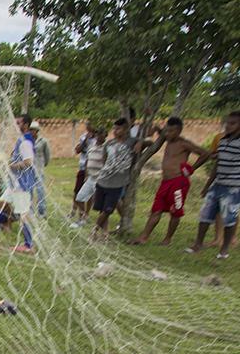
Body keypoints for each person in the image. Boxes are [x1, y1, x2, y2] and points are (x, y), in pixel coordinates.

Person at [132, 117, 211, 245]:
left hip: (179, 182)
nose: (168, 134)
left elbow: (205, 154)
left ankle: (168, 239)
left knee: (175, 212)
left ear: (179, 131)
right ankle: (143, 237)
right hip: (165, 182)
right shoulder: (167, 139)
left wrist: (192, 168)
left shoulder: (183, 143)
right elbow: (160, 131)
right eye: (167, 131)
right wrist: (154, 123)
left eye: (172, 131)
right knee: (156, 210)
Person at [186, 110, 240, 259]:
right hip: (217, 184)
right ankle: (198, 244)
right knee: (205, 215)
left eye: (232, 123)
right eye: (227, 123)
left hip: (233, 187)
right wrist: (207, 186)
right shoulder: (222, 141)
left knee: (229, 218)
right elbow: (217, 165)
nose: (228, 126)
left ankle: (224, 249)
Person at [0, 114, 36, 253]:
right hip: (15, 183)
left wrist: (11, 166)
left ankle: (29, 245)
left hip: (23, 185)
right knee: (1, 203)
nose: (16, 125)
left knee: (23, 215)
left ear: (26, 125)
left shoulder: (26, 142)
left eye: (19, 123)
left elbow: (28, 162)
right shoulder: (21, 140)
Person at [90, 117, 140, 241]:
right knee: (102, 209)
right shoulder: (109, 144)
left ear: (125, 129)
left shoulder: (131, 142)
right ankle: (104, 233)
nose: (115, 131)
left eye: (118, 128)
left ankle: (94, 230)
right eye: (114, 128)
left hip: (117, 184)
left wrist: (140, 144)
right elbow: (104, 160)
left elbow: (149, 142)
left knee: (108, 210)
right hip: (103, 180)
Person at [71, 127, 107, 227]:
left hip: (100, 179)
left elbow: (107, 162)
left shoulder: (106, 148)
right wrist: (87, 175)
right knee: (79, 197)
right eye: (99, 134)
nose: (101, 136)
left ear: (105, 136)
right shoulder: (91, 147)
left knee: (100, 203)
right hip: (91, 178)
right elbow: (87, 160)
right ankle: (83, 218)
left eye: (103, 134)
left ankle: (102, 228)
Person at [72, 122, 97, 219]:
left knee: (89, 193)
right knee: (77, 191)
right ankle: (74, 211)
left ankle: (86, 213)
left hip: (93, 169)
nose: (89, 126)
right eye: (88, 124)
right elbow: (77, 150)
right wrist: (86, 140)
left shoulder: (98, 139)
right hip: (82, 167)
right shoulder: (83, 137)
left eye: (90, 124)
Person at [30, 121, 51, 216]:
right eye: (30, 130)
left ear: (37, 130)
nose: (31, 131)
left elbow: (47, 156)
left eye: (33, 130)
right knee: (29, 191)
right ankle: (29, 211)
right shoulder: (27, 140)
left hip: (39, 168)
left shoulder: (43, 141)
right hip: (29, 169)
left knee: (40, 191)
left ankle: (42, 211)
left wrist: (42, 165)